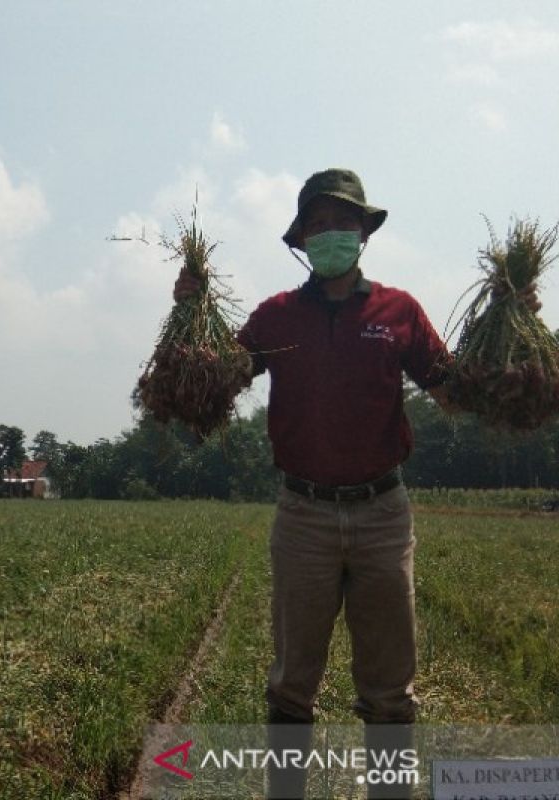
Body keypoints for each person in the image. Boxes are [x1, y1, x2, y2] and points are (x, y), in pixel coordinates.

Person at [174, 169, 459, 798]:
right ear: (303, 238)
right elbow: (213, 382)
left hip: (384, 513)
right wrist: (189, 308)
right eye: (319, 224)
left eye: (344, 223)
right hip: (303, 515)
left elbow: (455, 392)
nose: (332, 233)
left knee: (390, 686)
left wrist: (515, 319)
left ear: (364, 234)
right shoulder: (276, 318)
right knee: (291, 681)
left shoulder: (399, 311)